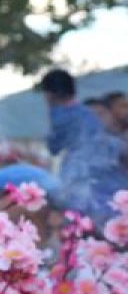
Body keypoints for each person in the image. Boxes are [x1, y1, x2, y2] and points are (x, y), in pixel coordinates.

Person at [38, 68, 128, 225]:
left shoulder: (60, 114)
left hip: (82, 184)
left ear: (48, 94)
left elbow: (54, 146)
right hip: (111, 179)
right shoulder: (88, 113)